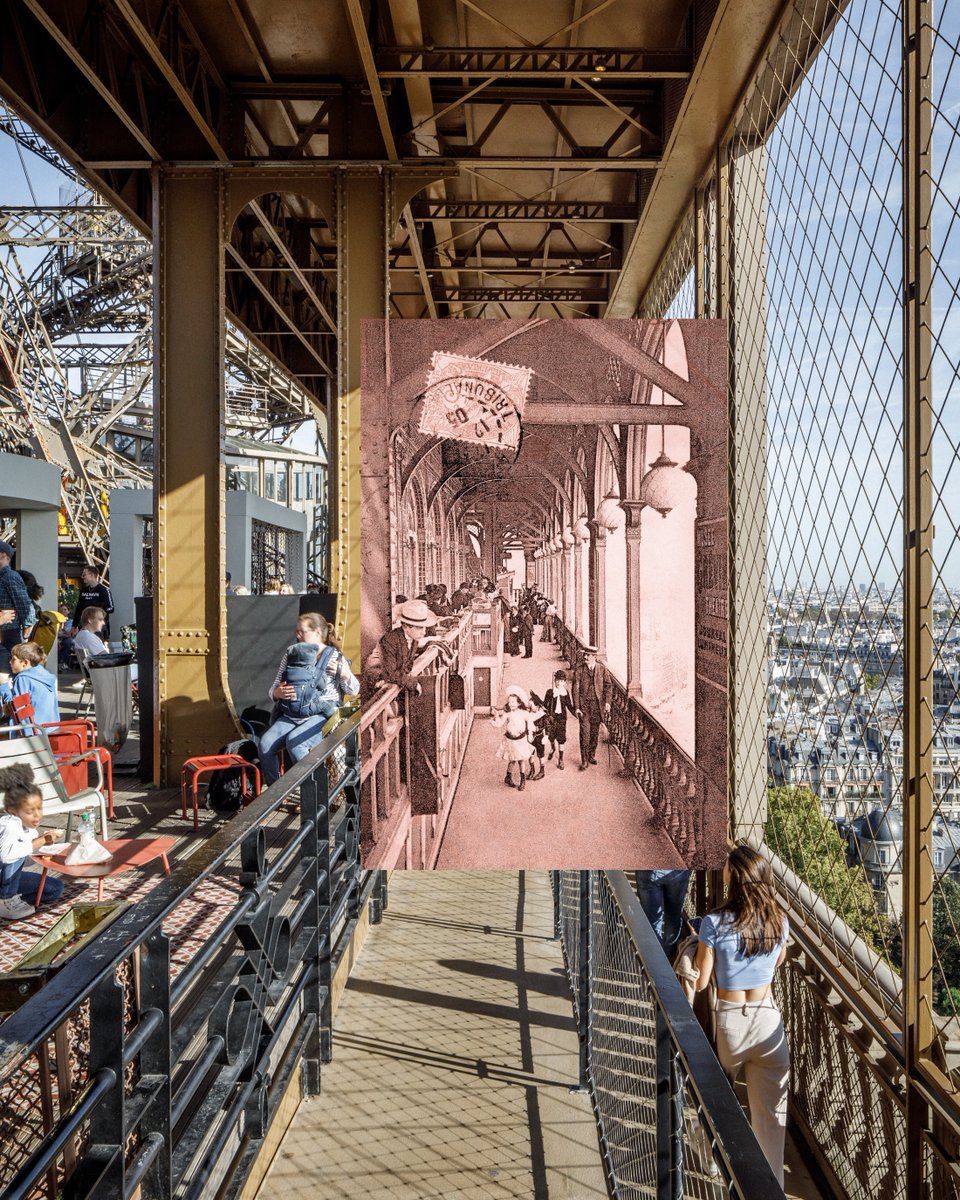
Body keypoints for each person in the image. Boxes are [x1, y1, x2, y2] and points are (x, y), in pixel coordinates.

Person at [694, 845, 790, 1186]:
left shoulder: (713, 923)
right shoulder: (781, 920)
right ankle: (772, 1188)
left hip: (731, 1023)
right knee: (772, 1121)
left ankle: (715, 1164)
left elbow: (702, 979)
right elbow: (776, 964)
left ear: (733, 877)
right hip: (768, 1024)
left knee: (715, 1101)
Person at [260, 612, 360, 784]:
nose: (298, 636)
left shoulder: (334, 656)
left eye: (302, 631)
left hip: (322, 714)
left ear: (318, 633)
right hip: (292, 713)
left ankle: (314, 792)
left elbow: (354, 688)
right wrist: (278, 693)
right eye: (296, 632)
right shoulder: (291, 654)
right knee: (265, 744)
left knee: (296, 742)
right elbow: (273, 688)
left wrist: (343, 673)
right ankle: (276, 791)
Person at [0, 762, 65, 920]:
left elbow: (24, 861)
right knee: (14, 852)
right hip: (3, 874)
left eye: (39, 808)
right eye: (30, 811)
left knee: (54, 889)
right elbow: (8, 856)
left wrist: (43, 847)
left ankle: (10, 897)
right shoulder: (9, 824)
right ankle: (5, 899)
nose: (37, 815)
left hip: (5, 878)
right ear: (13, 811)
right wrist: (40, 841)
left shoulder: (30, 830)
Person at [635, 870, 692, 962]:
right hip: (678, 870)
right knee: (674, 918)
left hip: (650, 868)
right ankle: (669, 958)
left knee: (651, 921)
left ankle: (655, 960)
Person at [571, 645, 613, 769]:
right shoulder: (579, 670)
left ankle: (591, 755)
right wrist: (577, 707)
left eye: (587, 655)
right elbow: (575, 690)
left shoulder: (601, 669)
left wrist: (607, 702)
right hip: (584, 707)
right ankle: (584, 760)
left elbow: (608, 686)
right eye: (585, 655)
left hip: (597, 706)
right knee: (585, 734)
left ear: (594, 657)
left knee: (594, 733)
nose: (585, 657)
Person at [1, 641, 60, 725]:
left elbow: (16, 708)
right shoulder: (44, 674)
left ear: (25, 662)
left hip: (31, 730)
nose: (10, 662)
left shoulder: (23, 679)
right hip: (50, 726)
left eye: (13, 659)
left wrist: (4, 686)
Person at [492, 686, 536, 791]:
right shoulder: (508, 714)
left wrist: (530, 734)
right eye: (509, 702)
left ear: (519, 703)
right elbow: (500, 724)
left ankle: (522, 780)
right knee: (512, 759)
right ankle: (508, 777)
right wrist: (496, 716)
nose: (511, 704)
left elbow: (530, 724)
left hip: (520, 740)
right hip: (510, 740)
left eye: (513, 702)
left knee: (521, 760)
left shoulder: (524, 713)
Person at [0, 539, 33, 682]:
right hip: (7, 633)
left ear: (2, 555)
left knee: (7, 677)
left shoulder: (10, 577)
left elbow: (26, 607)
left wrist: (26, 632)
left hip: (9, 635)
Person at [542, 669, 576, 771]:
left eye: (561, 681)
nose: (559, 683)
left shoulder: (565, 692)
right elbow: (544, 705)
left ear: (564, 682)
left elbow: (569, 706)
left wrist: (576, 714)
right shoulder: (550, 692)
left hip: (561, 718)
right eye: (557, 680)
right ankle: (553, 748)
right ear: (554, 680)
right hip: (552, 718)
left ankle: (561, 759)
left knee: (561, 738)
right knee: (551, 737)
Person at [71, 564, 114, 640]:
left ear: (91, 575)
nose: (82, 577)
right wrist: (74, 626)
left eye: (84, 575)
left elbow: (111, 608)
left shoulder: (104, 590)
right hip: (85, 626)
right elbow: (78, 609)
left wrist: (98, 609)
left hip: (98, 626)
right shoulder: (84, 591)